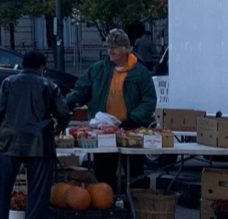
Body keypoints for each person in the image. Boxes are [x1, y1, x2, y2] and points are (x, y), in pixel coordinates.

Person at [0, 51, 72, 219]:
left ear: (23, 65)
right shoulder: (49, 85)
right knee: (38, 188)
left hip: (9, 140)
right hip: (40, 141)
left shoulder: (9, 82)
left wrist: (4, 126)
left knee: (2, 186)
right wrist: (58, 128)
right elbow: (63, 112)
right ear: (41, 67)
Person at [66, 28, 159, 190]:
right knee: (103, 175)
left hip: (131, 133)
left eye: (114, 47)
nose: (110, 50)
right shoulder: (98, 69)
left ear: (126, 49)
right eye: (108, 46)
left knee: (135, 175)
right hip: (103, 133)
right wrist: (65, 104)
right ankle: (106, 210)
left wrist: (134, 119)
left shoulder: (140, 72)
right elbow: (81, 90)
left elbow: (149, 101)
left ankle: (133, 210)